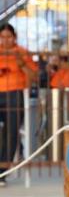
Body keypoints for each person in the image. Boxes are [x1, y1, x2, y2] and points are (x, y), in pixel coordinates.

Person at [0, 23, 37, 187]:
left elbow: (34, 76)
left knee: (12, 132)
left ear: (14, 37)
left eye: (9, 37)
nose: (6, 40)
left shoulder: (22, 52)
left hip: (15, 93)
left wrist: (21, 64)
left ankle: (2, 171)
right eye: (2, 37)